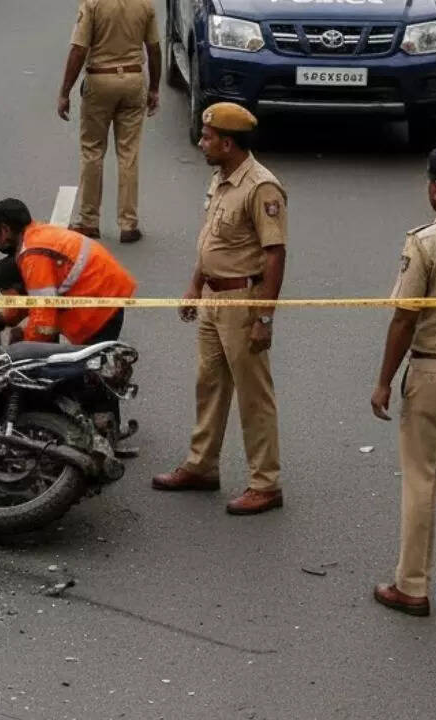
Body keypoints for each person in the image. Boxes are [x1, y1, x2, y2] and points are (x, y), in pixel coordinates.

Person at [152, 102, 287, 516]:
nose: (201, 142)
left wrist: (264, 316)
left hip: (242, 301)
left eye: (208, 137)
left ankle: (265, 483)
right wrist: (195, 285)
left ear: (228, 143)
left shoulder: (261, 187)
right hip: (213, 298)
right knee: (209, 384)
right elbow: (214, 240)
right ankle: (201, 465)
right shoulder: (221, 179)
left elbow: (275, 255)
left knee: (253, 395)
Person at [368, 146, 436, 618]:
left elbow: (404, 319)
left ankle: (412, 585)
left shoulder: (424, 242)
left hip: (433, 368)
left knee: (422, 481)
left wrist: (384, 380)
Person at [57, 0, 161, 244]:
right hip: (134, 79)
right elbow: (154, 48)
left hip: (100, 80)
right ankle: (128, 223)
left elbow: (79, 50)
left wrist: (65, 92)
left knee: (92, 149)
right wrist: (154, 88)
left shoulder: (92, 3)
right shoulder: (145, 4)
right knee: (129, 153)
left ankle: (89, 220)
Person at [0, 198, 136, 346]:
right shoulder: (37, 233)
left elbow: (44, 324)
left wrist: (22, 348)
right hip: (105, 292)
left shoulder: (34, 256)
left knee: (78, 367)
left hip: (98, 308)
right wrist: (3, 320)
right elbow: (34, 302)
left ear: (5, 230)